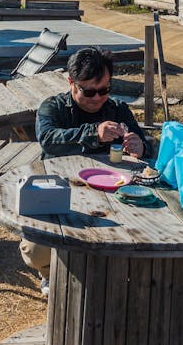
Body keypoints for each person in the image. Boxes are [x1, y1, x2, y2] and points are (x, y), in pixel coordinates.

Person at [21, 48, 152, 293]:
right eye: (89, 91)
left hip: (112, 193)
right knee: (35, 250)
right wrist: (93, 132)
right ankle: (51, 272)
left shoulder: (118, 110)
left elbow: (147, 148)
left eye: (104, 90)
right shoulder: (53, 107)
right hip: (59, 187)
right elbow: (48, 139)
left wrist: (140, 146)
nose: (97, 97)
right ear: (71, 82)